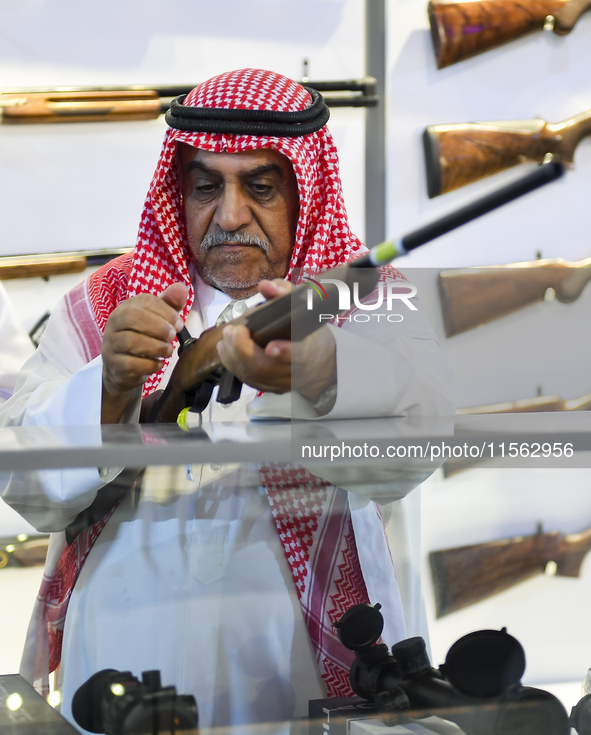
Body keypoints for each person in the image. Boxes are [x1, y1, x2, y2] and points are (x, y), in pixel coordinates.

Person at [0, 69, 453, 731]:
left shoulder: (367, 297)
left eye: (260, 187)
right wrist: (108, 389)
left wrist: (320, 373)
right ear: (177, 188)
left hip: (299, 683)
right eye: (206, 185)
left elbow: (419, 444)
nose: (230, 214)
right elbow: (25, 485)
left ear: (304, 190)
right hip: (125, 671)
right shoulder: (106, 303)